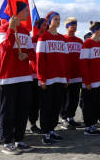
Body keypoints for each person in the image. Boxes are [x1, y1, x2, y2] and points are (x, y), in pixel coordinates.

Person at [0, 2, 35, 154]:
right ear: (18, 12)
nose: (28, 13)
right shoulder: (2, 29)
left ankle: (19, 140)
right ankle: (7, 142)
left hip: (25, 77)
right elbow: (5, 47)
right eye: (26, 10)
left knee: (22, 110)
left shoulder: (26, 31)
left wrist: (27, 55)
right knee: (8, 110)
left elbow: (32, 52)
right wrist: (11, 29)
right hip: (9, 77)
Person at [36, 12, 68, 144]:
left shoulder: (62, 38)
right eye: (55, 19)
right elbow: (39, 59)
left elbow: (66, 59)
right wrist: (41, 78)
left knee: (56, 105)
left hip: (60, 78)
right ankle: (45, 133)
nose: (58, 21)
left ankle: (52, 130)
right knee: (46, 106)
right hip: (47, 79)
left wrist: (66, 76)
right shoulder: (43, 37)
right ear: (49, 20)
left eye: (59, 19)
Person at [80, 21, 100, 135]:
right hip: (91, 82)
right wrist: (86, 81)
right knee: (89, 105)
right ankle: (88, 127)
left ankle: (93, 125)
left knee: (98, 104)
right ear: (96, 31)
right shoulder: (87, 43)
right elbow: (83, 63)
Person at [60, 17, 84, 129]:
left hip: (77, 73)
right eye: (72, 24)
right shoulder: (62, 39)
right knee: (65, 97)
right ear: (66, 26)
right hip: (67, 74)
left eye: (76, 24)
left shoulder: (79, 41)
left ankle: (71, 117)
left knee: (74, 97)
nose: (74, 26)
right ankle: (63, 118)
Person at [28, 18, 47, 134]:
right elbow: (32, 57)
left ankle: (45, 124)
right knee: (34, 101)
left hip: (46, 76)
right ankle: (32, 124)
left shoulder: (48, 39)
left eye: (47, 25)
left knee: (44, 101)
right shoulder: (33, 40)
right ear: (39, 26)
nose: (46, 27)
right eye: (44, 25)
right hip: (34, 76)